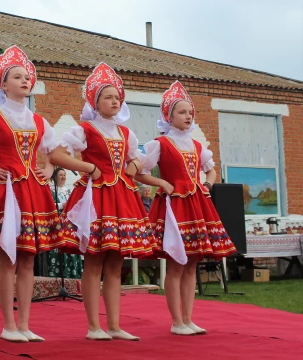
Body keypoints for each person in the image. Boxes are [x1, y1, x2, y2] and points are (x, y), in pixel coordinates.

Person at [50, 62, 155, 341]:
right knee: (94, 261)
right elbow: (57, 156)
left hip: (121, 198)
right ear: (95, 102)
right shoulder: (85, 129)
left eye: (117, 97)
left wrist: (132, 168)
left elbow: (139, 160)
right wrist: (88, 169)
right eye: (108, 97)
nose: (114, 101)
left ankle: (115, 326)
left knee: (114, 262)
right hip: (96, 198)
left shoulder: (125, 133)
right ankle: (93, 326)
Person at [0, 45, 63, 343]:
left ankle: (24, 324)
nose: (25, 81)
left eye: (27, 77)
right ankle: (8, 325)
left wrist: (49, 169)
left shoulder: (38, 120)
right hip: (6, 190)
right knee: (9, 257)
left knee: (28, 259)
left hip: (32, 192)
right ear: (3, 84)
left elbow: (56, 149)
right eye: (17, 77)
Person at [136, 80, 236, 336]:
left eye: (190, 112)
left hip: (196, 206)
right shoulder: (160, 143)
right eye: (182, 112)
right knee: (176, 262)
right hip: (174, 207)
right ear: (169, 116)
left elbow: (210, 169)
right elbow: (139, 172)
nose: (188, 116)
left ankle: (188, 319)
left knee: (192, 262)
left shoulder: (197, 145)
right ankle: (176, 321)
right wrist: (161, 182)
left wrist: (208, 185)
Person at [47, 168, 83, 279]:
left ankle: (73, 277)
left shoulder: (68, 190)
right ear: (55, 177)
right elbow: (49, 207)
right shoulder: (51, 190)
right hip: (56, 225)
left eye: (64, 175)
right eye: (60, 175)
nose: (63, 177)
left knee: (70, 247)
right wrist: (63, 205)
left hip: (68, 225)